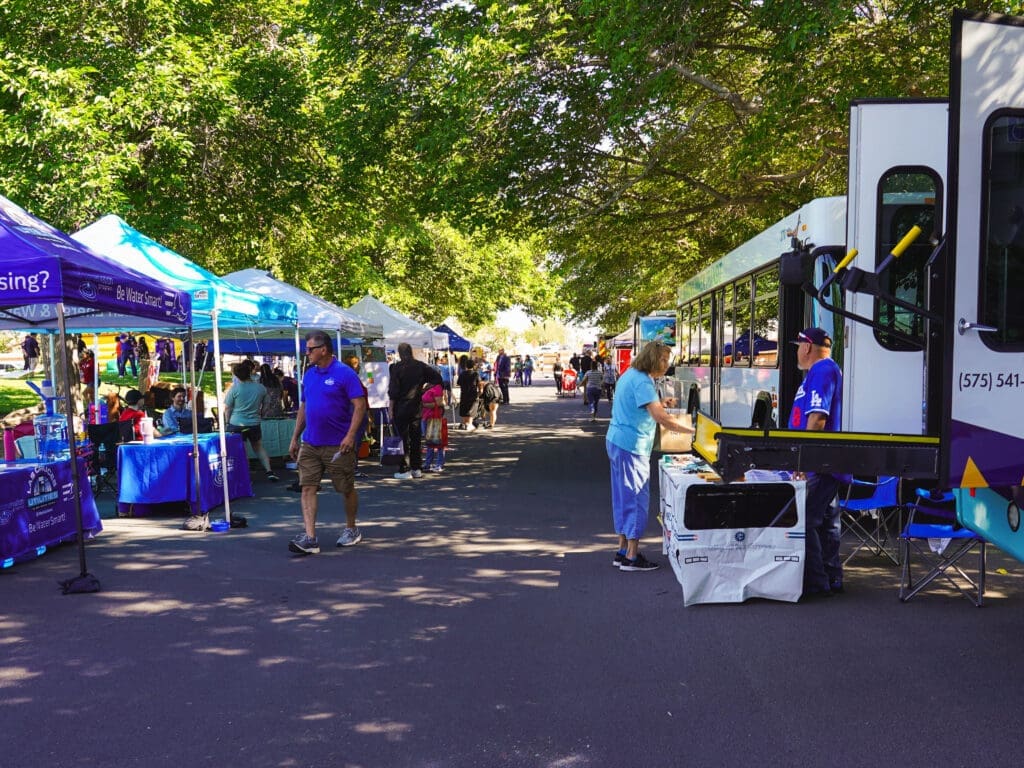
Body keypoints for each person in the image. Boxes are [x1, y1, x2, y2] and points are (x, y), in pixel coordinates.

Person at [606, 340, 694, 572]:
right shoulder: (644, 381)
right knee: (636, 498)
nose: (666, 365)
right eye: (664, 359)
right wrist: (693, 430)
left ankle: (622, 549)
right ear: (653, 359)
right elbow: (661, 418)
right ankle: (632, 557)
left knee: (622, 497)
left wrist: (660, 402)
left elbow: (641, 405)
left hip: (616, 441)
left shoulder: (630, 375)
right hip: (632, 446)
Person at [288, 332, 368, 554]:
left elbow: (360, 406)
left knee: (345, 488)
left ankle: (351, 528)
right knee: (307, 487)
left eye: (310, 349)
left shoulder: (345, 374)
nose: (307, 353)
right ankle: (310, 538)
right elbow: (304, 407)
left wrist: (351, 435)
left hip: (337, 444)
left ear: (323, 349)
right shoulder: (310, 375)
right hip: (311, 443)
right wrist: (295, 437)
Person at [789, 327, 844, 597]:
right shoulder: (824, 370)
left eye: (798, 346)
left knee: (805, 520)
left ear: (807, 347)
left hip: (819, 462)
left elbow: (817, 419)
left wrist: (802, 459)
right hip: (825, 462)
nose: (797, 351)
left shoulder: (822, 371)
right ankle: (831, 576)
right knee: (825, 521)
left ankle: (816, 582)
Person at [388, 342, 442, 479]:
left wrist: (391, 408)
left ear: (400, 353)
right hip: (416, 406)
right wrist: (423, 389)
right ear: (411, 351)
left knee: (402, 438)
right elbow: (438, 378)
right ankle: (416, 468)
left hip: (401, 406)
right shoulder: (421, 366)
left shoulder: (396, 368)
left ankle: (404, 469)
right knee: (416, 438)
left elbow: (393, 391)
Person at [224, 362, 279, 482]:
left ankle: (246, 475)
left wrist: (227, 422)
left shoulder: (235, 388)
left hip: (236, 423)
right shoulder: (260, 388)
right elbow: (266, 404)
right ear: (250, 372)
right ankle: (269, 471)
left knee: (241, 450)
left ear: (237, 375)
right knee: (258, 447)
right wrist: (260, 414)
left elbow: (227, 408)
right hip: (254, 422)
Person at [421, 382, 446, 472]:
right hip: (425, 416)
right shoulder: (427, 386)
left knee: (437, 442)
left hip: (434, 417)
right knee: (429, 442)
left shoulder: (437, 387)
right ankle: (428, 463)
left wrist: (423, 405)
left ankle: (439, 463)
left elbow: (439, 403)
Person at [456, 355, 480, 430]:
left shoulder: (462, 374)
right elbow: (479, 384)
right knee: (472, 409)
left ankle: (464, 423)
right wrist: (480, 392)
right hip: (473, 393)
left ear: (466, 366)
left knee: (464, 408)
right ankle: (469, 424)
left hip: (464, 393)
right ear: (473, 366)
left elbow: (458, 383)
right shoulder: (475, 374)